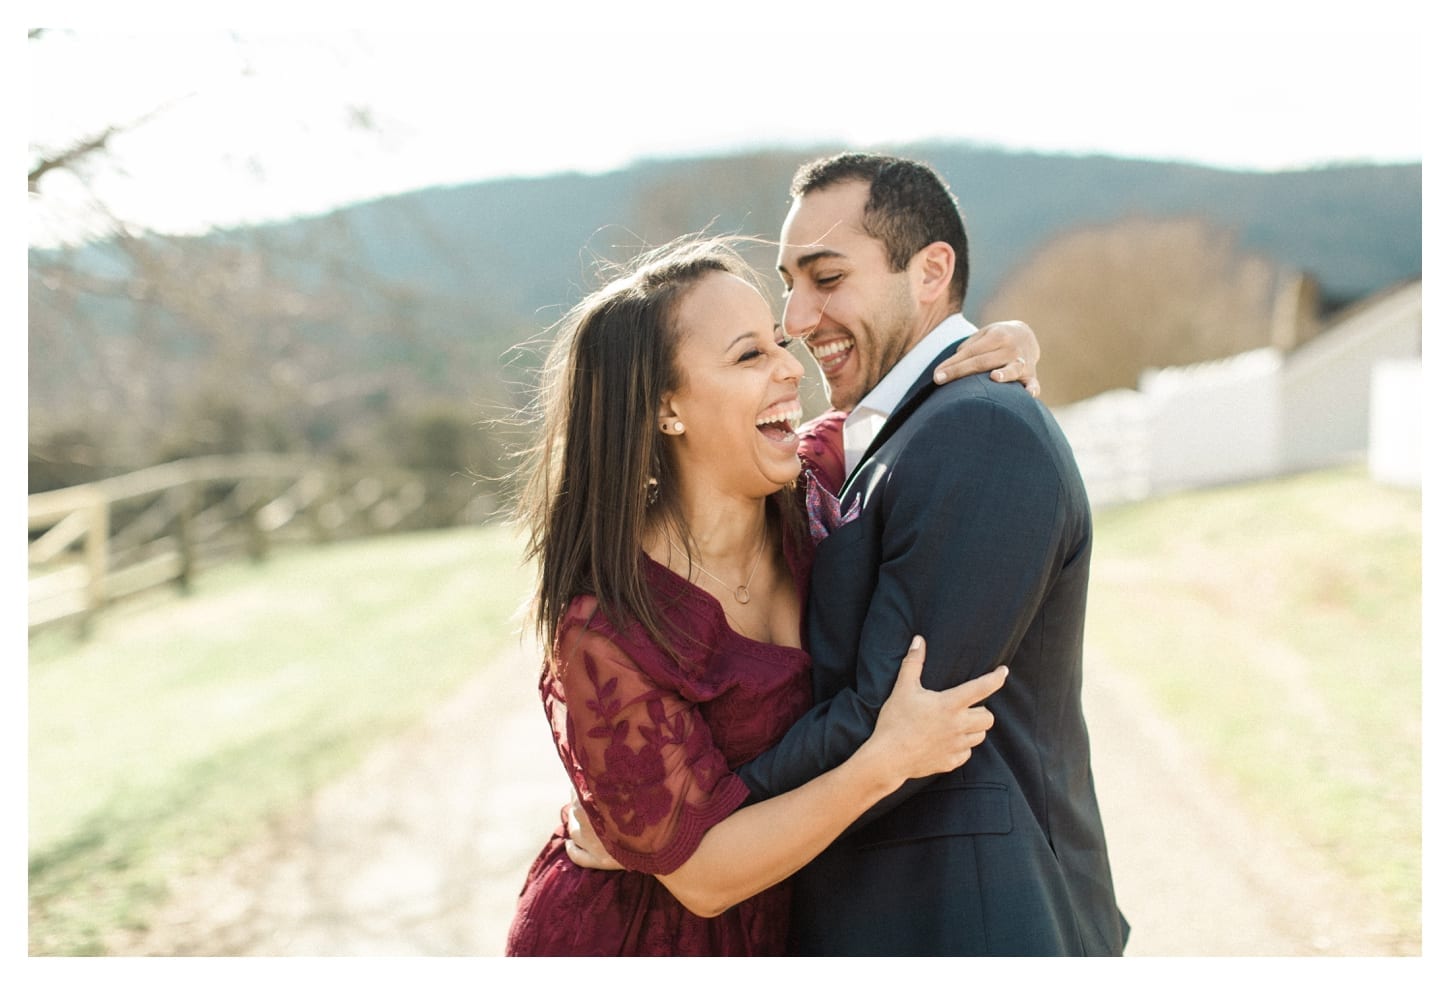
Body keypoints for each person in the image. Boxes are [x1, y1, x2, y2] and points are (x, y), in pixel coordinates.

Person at [502, 236, 1040, 956]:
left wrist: (1011, 342)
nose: (793, 367)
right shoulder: (607, 630)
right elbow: (704, 878)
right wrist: (886, 759)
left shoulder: (814, 483)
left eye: (779, 343)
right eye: (750, 354)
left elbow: (920, 409)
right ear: (666, 407)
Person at [710, 152, 1127, 955]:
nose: (795, 316)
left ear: (931, 269)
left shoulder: (979, 431)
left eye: (827, 278)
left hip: (971, 924)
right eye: (789, 281)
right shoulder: (893, 431)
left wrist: (691, 815)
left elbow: (891, 712)